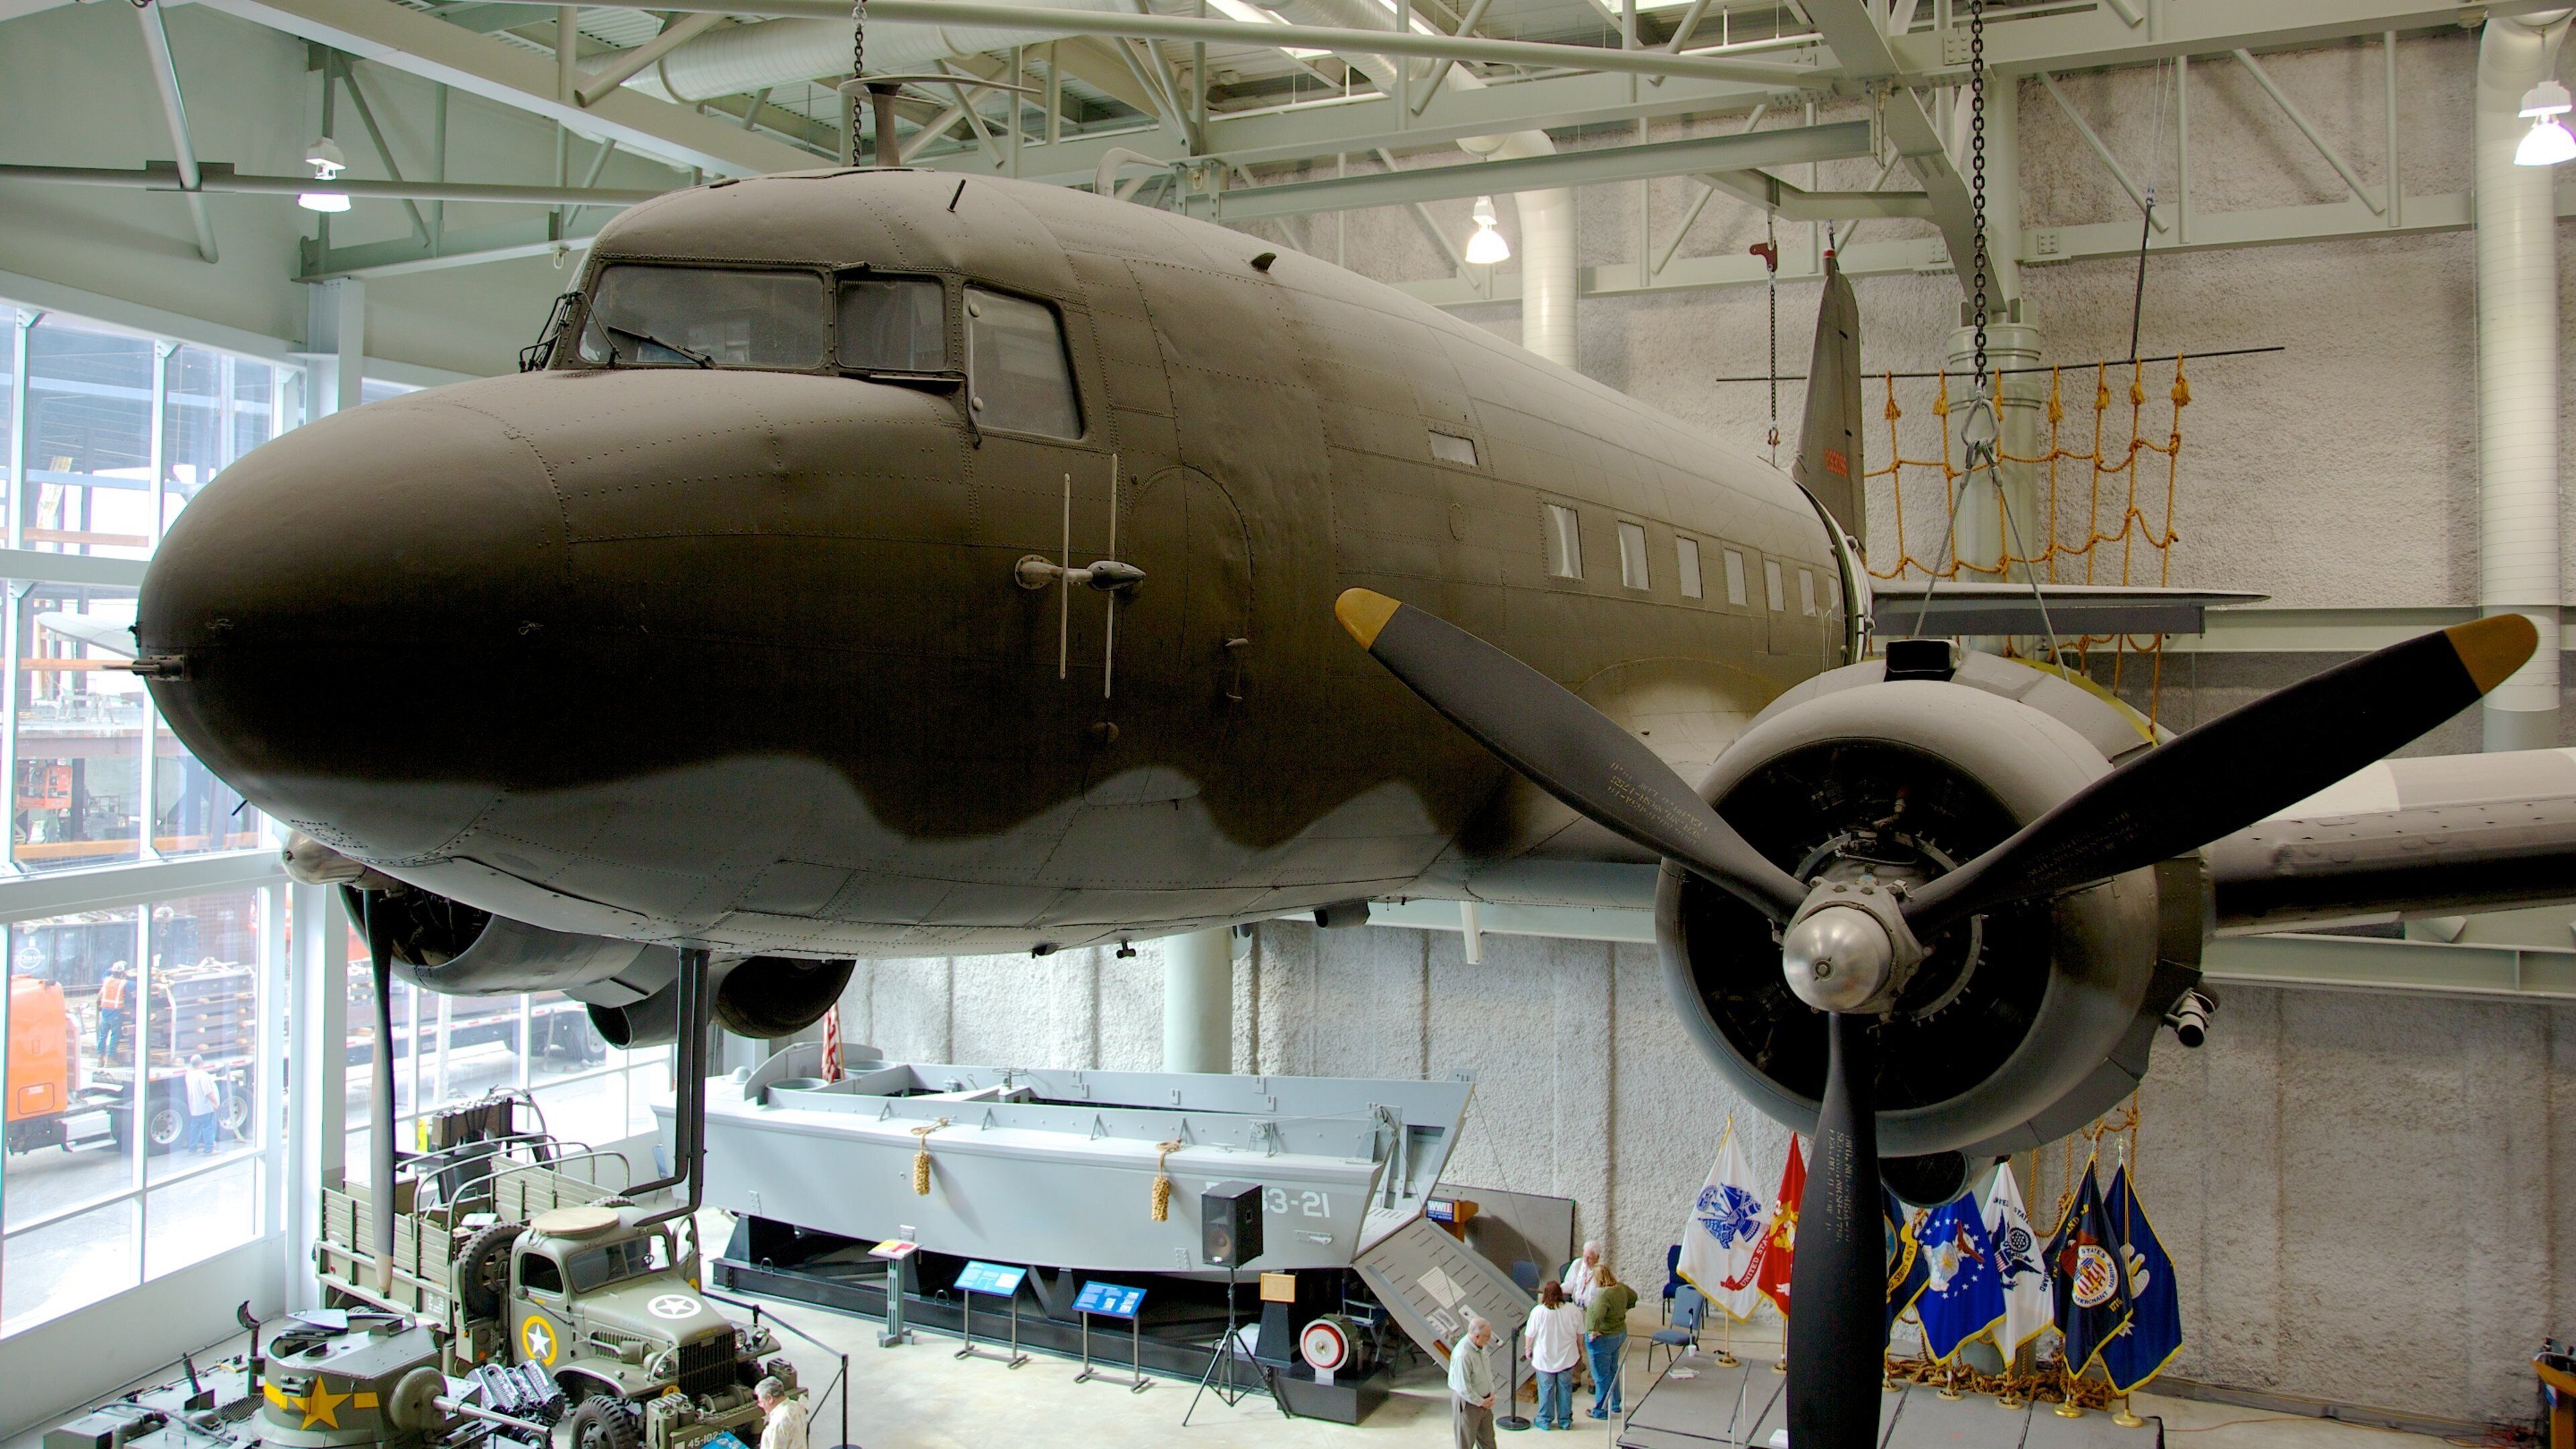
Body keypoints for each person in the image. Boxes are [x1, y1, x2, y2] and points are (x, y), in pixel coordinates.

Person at [1525, 1279, 1583, 1431]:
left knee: (1546, 1389)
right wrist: (1580, 1347)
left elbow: (1530, 1334)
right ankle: (1565, 1420)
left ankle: (1545, 1420)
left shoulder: (1538, 1312)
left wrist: (1528, 1349)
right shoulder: (1573, 1310)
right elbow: (1580, 1333)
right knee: (1565, 1389)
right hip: (1567, 1357)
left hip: (1545, 1359)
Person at [1583, 1263, 1639, 1419]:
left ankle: (1601, 1410)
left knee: (1601, 1376)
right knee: (1613, 1369)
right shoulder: (1620, 1288)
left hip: (1604, 1338)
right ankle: (1615, 1403)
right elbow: (1633, 1297)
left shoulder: (1602, 1295)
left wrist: (1593, 1331)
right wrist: (1625, 1309)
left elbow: (1596, 1314)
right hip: (1619, 1333)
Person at [1448, 1316, 1499, 1449]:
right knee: (1465, 1443)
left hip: (1485, 1403)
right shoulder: (1463, 1355)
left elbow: (1486, 1371)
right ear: (1477, 1336)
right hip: (1469, 1405)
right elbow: (1463, 1388)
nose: (1489, 1340)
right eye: (1487, 1337)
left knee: (1489, 1443)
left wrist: (1491, 1393)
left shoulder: (1481, 1346)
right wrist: (1482, 1402)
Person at [753, 1377, 806, 1449]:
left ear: (770, 1398)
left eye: (762, 1402)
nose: (761, 1406)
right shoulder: (798, 1406)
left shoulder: (778, 1422)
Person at [183, 1055, 221, 1154]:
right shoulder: (203, 1076)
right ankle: (209, 1149)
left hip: (194, 1107)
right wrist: (215, 1103)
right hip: (205, 1107)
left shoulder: (189, 1074)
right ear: (202, 1063)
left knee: (194, 1128)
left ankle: (192, 1149)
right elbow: (208, 1092)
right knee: (208, 1127)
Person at [97, 963, 129, 1056]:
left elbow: (104, 975)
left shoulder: (107, 981)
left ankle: (100, 1058)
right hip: (115, 1014)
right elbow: (136, 986)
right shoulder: (124, 983)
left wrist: (112, 968)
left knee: (103, 1036)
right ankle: (110, 1058)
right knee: (115, 1036)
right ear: (123, 973)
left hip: (105, 1013)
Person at [1562, 1239, 1605, 1306]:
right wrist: (1558, 1289)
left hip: (1591, 1310)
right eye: (1584, 1256)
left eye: (1590, 1258)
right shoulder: (1577, 1264)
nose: (1586, 1260)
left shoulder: (1602, 1270)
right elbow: (1570, 1284)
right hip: (1575, 1306)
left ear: (1597, 1257)